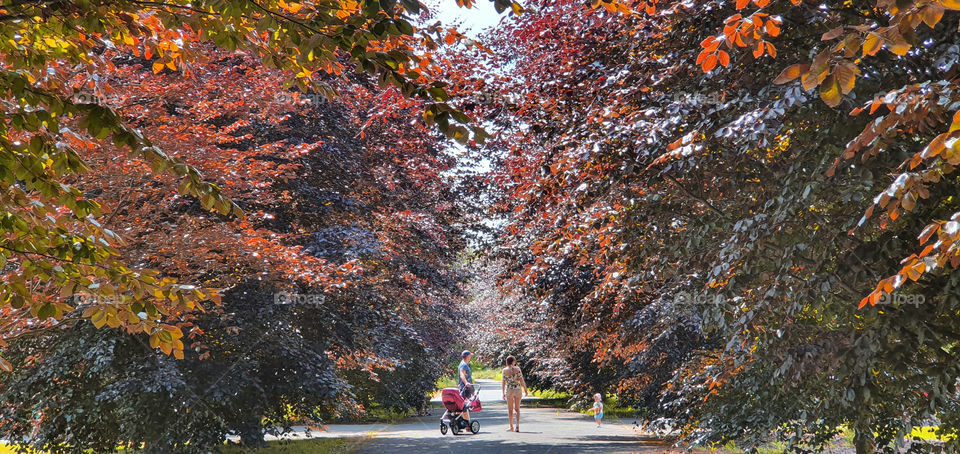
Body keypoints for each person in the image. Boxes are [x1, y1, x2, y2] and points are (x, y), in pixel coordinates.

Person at [501, 355, 528, 432]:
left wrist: (503, 392)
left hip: (509, 390)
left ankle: (511, 426)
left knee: (510, 410)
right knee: (517, 409)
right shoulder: (518, 369)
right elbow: (522, 380)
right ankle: (517, 425)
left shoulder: (504, 370)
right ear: (513, 362)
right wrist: (525, 390)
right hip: (518, 389)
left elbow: (503, 382)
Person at [458, 350, 474, 421]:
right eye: (470, 355)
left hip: (466, 387)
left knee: (461, 406)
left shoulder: (464, 364)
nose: (470, 357)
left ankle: (458, 422)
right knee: (464, 406)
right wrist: (466, 382)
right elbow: (462, 374)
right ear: (467, 356)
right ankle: (467, 423)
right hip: (464, 388)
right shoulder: (464, 364)